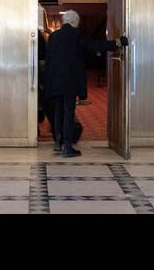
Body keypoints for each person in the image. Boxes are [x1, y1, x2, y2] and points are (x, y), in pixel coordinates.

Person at [43, 9, 121, 158]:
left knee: (58, 111)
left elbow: (50, 59)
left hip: (55, 80)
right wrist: (116, 43)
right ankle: (67, 146)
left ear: (65, 21)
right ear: (75, 22)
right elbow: (93, 45)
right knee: (69, 111)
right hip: (70, 81)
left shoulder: (53, 36)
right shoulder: (77, 34)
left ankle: (58, 142)